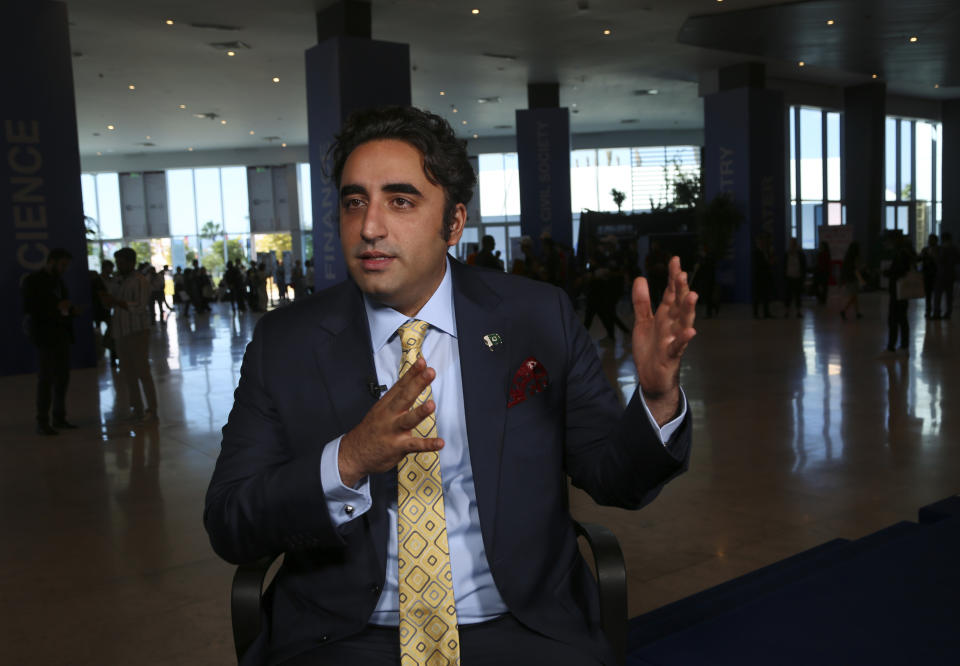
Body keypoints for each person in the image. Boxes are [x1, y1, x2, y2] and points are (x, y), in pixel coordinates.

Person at [204, 106, 697, 666]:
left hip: (521, 624)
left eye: (401, 201)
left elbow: (617, 480)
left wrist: (655, 399)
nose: (370, 226)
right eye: (354, 202)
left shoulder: (537, 317)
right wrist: (347, 460)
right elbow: (230, 522)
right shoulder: (285, 343)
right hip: (341, 636)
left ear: (454, 223)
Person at [22, 248, 78, 435]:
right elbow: (30, 308)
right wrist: (56, 307)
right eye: (62, 265)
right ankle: (43, 420)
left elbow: (61, 306)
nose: (64, 269)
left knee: (62, 378)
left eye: (66, 266)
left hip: (61, 335)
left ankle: (59, 417)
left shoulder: (58, 282)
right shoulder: (33, 281)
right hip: (45, 337)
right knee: (46, 379)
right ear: (52, 261)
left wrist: (70, 311)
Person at [106, 247, 159, 421]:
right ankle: (136, 409)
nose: (118, 266)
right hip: (121, 331)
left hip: (137, 331)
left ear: (131, 262)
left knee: (142, 371)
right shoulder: (118, 280)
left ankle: (151, 409)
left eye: (121, 263)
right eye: (117, 263)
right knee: (128, 373)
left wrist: (117, 302)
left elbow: (140, 306)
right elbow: (110, 301)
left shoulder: (140, 281)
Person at [882, 232, 913, 353]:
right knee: (901, 319)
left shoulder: (901, 254)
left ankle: (891, 347)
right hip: (900, 291)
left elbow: (898, 272)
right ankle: (903, 346)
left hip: (898, 291)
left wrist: (887, 273)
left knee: (894, 319)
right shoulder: (904, 252)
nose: (886, 244)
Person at [933, 232, 958, 319]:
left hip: (941, 274)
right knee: (949, 296)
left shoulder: (941, 249)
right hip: (950, 274)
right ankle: (948, 313)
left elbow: (939, 260)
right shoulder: (954, 249)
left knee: (938, 295)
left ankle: (937, 313)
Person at [783, 237, 807, 318]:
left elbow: (804, 266)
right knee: (788, 295)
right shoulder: (786, 254)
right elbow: (784, 266)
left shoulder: (800, 254)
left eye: (794, 243)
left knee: (798, 295)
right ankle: (787, 312)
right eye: (792, 243)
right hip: (789, 277)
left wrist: (803, 276)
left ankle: (798, 312)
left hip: (798, 277)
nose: (793, 245)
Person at [839, 241, 863, 321]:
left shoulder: (847, 257)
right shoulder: (855, 258)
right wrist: (861, 280)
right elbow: (856, 270)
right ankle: (844, 310)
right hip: (853, 279)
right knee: (853, 296)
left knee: (854, 296)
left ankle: (857, 313)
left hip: (848, 279)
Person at [920, 234, 938, 318]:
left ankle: (935, 311)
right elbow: (920, 259)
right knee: (928, 295)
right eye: (929, 239)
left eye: (932, 240)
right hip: (927, 275)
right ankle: (928, 310)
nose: (930, 241)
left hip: (935, 275)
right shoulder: (925, 250)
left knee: (936, 295)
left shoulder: (938, 250)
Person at [813, 240, 832, 305]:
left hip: (824, 272)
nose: (820, 247)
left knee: (824, 287)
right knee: (818, 286)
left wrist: (829, 273)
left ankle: (822, 300)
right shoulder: (820, 254)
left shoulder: (826, 254)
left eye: (821, 246)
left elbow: (828, 264)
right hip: (819, 272)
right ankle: (821, 299)